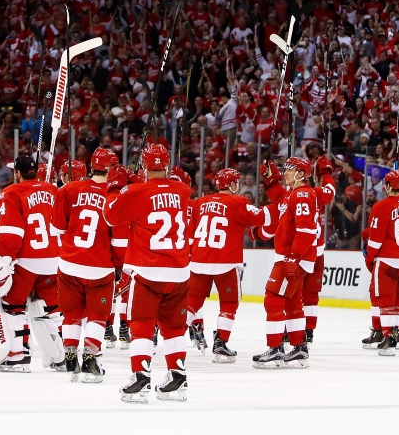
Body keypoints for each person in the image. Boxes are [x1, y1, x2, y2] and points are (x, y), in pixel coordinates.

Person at [103, 144, 193, 403]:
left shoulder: (135, 191)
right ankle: (178, 377)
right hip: (178, 272)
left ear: (143, 165)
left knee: (141, 323)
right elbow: (163, 192)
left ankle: (141, 377)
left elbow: (111, 216)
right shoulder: (183, 190)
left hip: (148, 270)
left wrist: (115, 188)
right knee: (174, 326)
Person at [0, 155, 62, 372]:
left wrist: (2, 261)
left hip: (26, 262)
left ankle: (18, 354)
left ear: (17, 172)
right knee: (52, 308)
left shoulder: (10, 193)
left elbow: (11, 232)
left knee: (13, 306)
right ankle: (64, 355)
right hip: (54, 260)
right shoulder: (54, 191)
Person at [186, 168, 271, 363]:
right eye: (236, 182)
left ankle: (172, 338)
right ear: (231, 185)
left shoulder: (201, 202)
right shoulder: (238, 202)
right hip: (226, 262)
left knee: (191, 304)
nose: (238, 186)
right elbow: (262, 218)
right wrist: (281, 205)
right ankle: (220, 344)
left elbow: (191, 232)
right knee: (229, 304)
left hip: (199, 261)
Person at [251, 156, 327, 368]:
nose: (286, 173)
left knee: (273, 297)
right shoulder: (294, 194)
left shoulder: (302, 194)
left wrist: (294, 256)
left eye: (290, 170)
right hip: (297, 256)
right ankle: (299, 347)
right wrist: (270, 176)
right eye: (285, 169)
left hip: (292, 256)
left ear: (302, 174)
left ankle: (275, 348)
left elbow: (306, 229)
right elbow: (280, 197)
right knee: (293, 302)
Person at [54, 147, 121, 382]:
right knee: (96, 316)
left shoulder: (69, 189)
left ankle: (70, 354)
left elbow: (58, 229)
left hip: (69, 263)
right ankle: (90, 360)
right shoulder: (115, 196)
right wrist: (121, 268)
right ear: (112, 168)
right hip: (100, 266)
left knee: (71, 313)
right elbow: (120, 240)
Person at [363, 170, 399, 356]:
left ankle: (388, 338)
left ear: (387, 186)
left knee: (386, 300)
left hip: (388, 260)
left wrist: (370, 258)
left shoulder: (381, 206)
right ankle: (397, 334)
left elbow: (375, 240)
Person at [299, 157, 336, 344]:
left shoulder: (292, 197)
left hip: (299, 253)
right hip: (317, 252)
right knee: (311, 294)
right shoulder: (316, 194)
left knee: (292, 293)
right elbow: (330, 190)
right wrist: (326, 173)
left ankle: (292, 329)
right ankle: (309, 330)